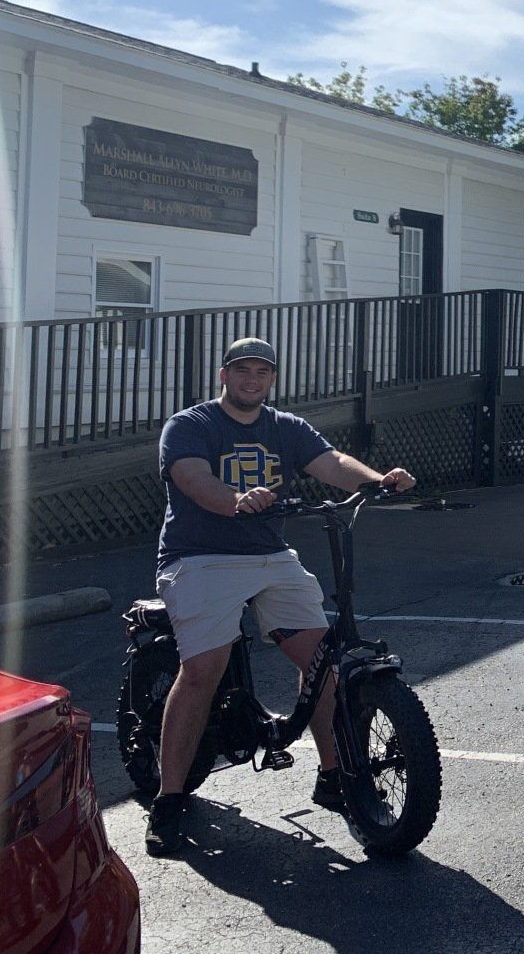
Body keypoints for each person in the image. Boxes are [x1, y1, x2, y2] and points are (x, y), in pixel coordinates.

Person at [146, 336, 417, 858]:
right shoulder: (192, 425)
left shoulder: (284, 427)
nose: (252, 381)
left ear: (272, 379)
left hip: (270, 555)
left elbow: (332, 461)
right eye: (242, 371)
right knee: (203, 668)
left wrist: (377, 479)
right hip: (199, 556)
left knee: (321, 659)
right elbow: (194, 480)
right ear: (224, 375)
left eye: (262, 373)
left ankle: (334, 774)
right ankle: (169, 799)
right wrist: (234, 500)